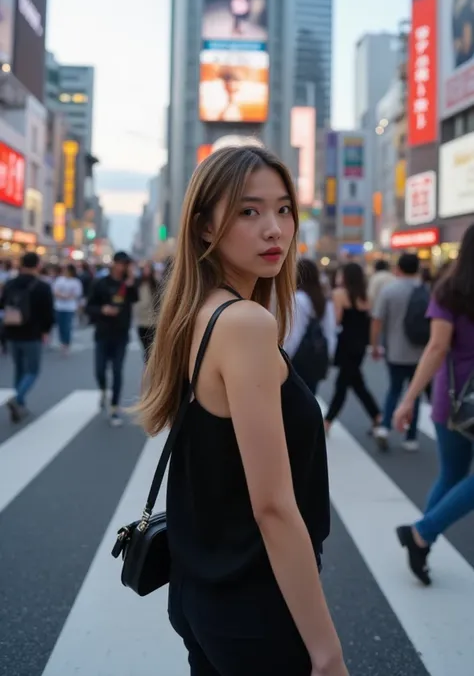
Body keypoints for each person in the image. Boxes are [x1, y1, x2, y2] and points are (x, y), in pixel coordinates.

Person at [137, 146, 348, 676]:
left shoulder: (199, 312)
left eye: (283, 209)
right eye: (248, 211)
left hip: (202, 591)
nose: (275, 229)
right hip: (255, 604)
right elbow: (273, 507)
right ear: (205, 227)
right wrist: (326, 651)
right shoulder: (245, 324)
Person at [393, 224, 474, 586]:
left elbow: (437, 347)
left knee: (451, 474)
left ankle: (421, 539)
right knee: (454, 477)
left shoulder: (448, 291)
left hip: (453, 400)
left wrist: (409, 399)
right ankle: (422, 534)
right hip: (459, 400)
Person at [371, 253, 426, 452]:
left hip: (395, 350)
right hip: (421, 352)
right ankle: (411, 438)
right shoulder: (425, 291)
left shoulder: (390, 291)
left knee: (394, 389)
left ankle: (385, 426)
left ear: (399, 268)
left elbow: (377, 320)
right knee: (415, 394)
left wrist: (375, 345)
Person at [324, 262, 380, 435]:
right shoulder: (366, 295)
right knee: (356, 383)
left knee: (342, 384)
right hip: (360, 345)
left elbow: (336, 320)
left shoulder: (339, 294)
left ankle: (327, 422)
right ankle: (376, 415)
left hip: (346, 344)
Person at [0, 252, 54, 422]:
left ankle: (20, 404)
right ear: (37, 265)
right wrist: (46, 331)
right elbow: (48, 313)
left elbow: (2, 304)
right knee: (32, 370)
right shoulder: (42, 287)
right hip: (33, 333)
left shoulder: (9, 284)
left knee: (19, 368)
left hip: (12, 330)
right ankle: (18, 399)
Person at [86, 251, 138, 426]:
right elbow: (89, 306)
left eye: (126, 264)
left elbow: (135, 298)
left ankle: (115, 407)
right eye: (121, 263)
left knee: (117, 371)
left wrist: (131, 282)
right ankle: (102, 390)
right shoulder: (100, 283)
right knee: (100, 370)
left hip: (121, 334)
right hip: (102, 332)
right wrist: (103, 310)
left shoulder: (128, 285)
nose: (123, 267)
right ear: (114, 263)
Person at [284, 258, 337, 395]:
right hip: (317, 357)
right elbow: (330, 331)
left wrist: (286, 358)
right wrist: (328, 356)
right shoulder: (323, 299)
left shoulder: (298, 299)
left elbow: (294, 333)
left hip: (299, 359)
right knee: (311, 397)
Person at [53, 263, 83, 353]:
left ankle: (66, 343)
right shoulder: (59, 280)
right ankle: (62, 341)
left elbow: (77, 294)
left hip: (70, 307)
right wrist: (62, 295)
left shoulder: (76, 282)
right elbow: (55, 291)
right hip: (59, 306)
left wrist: (68, 296)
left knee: (67, 325)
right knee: (60, 325)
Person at [134, 262, 158, 361]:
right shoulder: (137, 284)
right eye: (145, 269)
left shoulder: (156, 284)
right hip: (141, 321)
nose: (146, 271)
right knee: (146, 349)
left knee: (151, 350)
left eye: (148, 268)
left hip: (153, 321)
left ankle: (149, 370)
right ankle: (148, 368)